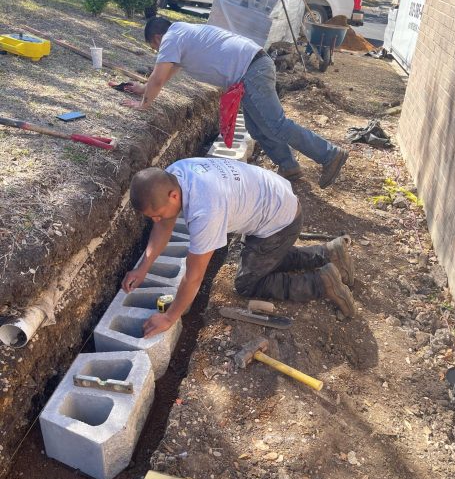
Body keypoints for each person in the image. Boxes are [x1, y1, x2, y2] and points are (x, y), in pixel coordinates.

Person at [122, 157, 355, 338]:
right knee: (266, 258)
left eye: (157, 214)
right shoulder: (176, 173)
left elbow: (194, 277)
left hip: (280, 221)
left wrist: (170, 317)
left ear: (173, 196)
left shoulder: (206, 211)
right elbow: (164, 224)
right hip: (274, 200)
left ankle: (322, 283)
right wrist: (144, 267)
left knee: (247, 283)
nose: (156, 220)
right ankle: (330, 253)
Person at [122, 17, 349, 188]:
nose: (158, 52)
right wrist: (144, 89)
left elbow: (159, 77)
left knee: (276, 124)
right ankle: (289, 166)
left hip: (252, 70)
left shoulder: (171, 38)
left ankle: (330, 154)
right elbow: (165, 74)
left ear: (157, 38)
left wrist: (145, 105)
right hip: (252, 68)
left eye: (155, 49)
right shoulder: (182, 33)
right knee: (257, 127)